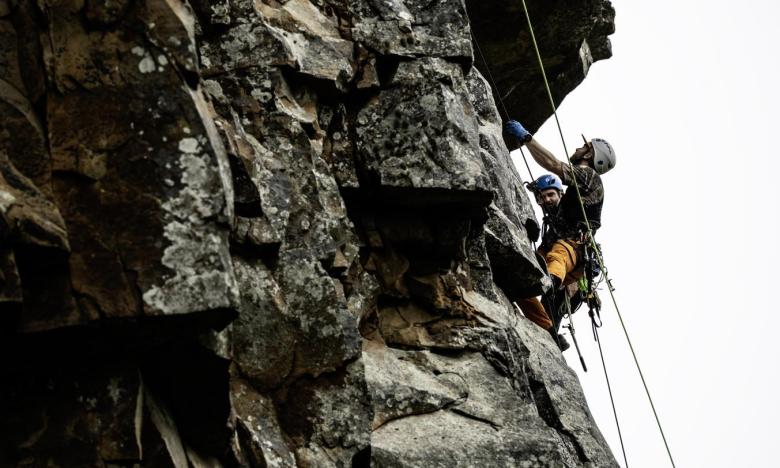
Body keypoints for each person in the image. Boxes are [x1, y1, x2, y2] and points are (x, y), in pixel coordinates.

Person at [505, 119, 616, 350]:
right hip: (559, 253)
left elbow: (553, 164)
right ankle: (548, 330)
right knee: (518, 275)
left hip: (571, 250)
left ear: (590, 154)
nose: (578, 148)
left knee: (559, 253)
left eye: (584, 146)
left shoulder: (589, 176)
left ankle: (548, 281)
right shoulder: (566, 203)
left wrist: (526, 137)